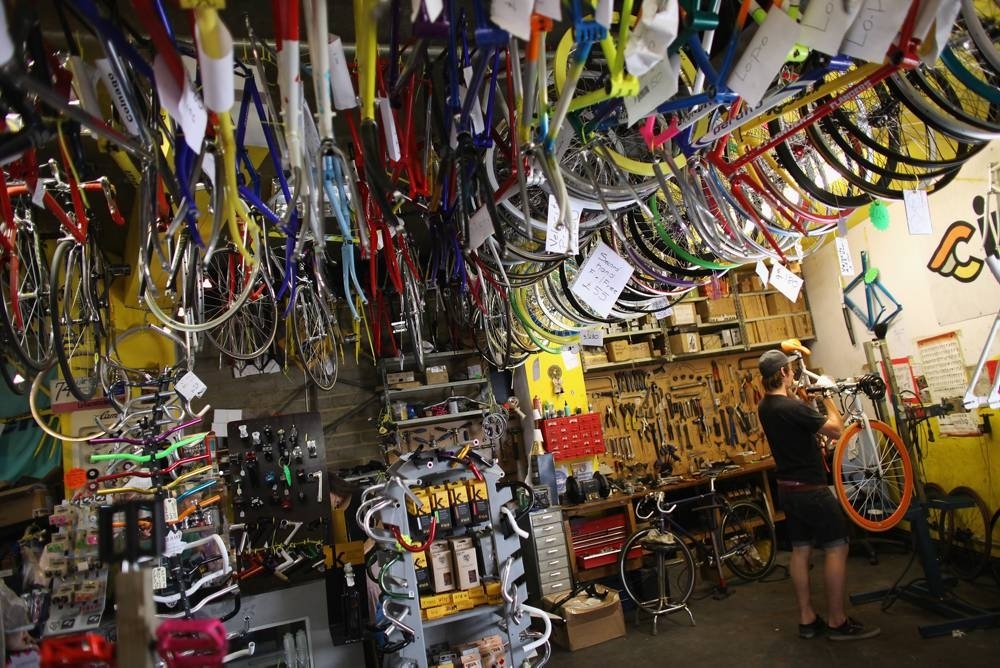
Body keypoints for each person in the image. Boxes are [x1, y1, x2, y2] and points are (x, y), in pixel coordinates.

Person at [756, 349, 880, 641]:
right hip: (811, 491)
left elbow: (796, 419)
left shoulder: (766, 406)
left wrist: (804, 399)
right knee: (837, 547)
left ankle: (807, 618)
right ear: (784, 373)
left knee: (801, 551)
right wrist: (826, 396)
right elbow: (836, 430)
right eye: (789, 369)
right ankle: (837, 620)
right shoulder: (791, 408)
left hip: (788, 490)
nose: (793, 373)